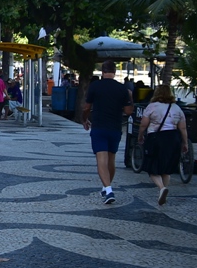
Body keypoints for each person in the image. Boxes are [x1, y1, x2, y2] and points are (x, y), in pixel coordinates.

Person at [81, 60, 134, 204]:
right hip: (115, 128)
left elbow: (86, 107)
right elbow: (129, 111)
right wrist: (130, 97)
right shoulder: (122, 89)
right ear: (115, 71)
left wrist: (85, 119)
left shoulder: (95, 86)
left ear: (102, 71)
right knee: (111, 159)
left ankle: (109, 190)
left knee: (101, 160)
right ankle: (106, 186)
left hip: (99, 127)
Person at [138, 85, 189, 205]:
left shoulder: (152, 107)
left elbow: (143, 124)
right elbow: (183, 128)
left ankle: (162, 188)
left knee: (152, 168)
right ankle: (163, 192)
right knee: (166, 169)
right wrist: (185, 142)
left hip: (156, 137)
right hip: (173, 138)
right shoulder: (177, 108)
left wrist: (140, 136)